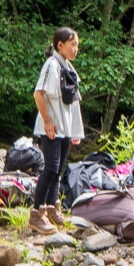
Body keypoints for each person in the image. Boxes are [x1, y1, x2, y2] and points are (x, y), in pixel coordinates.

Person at [30, 26, 84, 231]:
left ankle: (52, 208)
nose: (75, 49)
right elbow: (38, 94)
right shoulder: (51, 65)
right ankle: (36, 214)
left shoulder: (68, 67)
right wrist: (47, 121)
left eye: (77, 45)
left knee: (58, 170)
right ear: (60, 45)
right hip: (52, 127)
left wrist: (75, 130)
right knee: (51, 169)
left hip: (64, 128)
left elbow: (73, 102)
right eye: (72, 44)